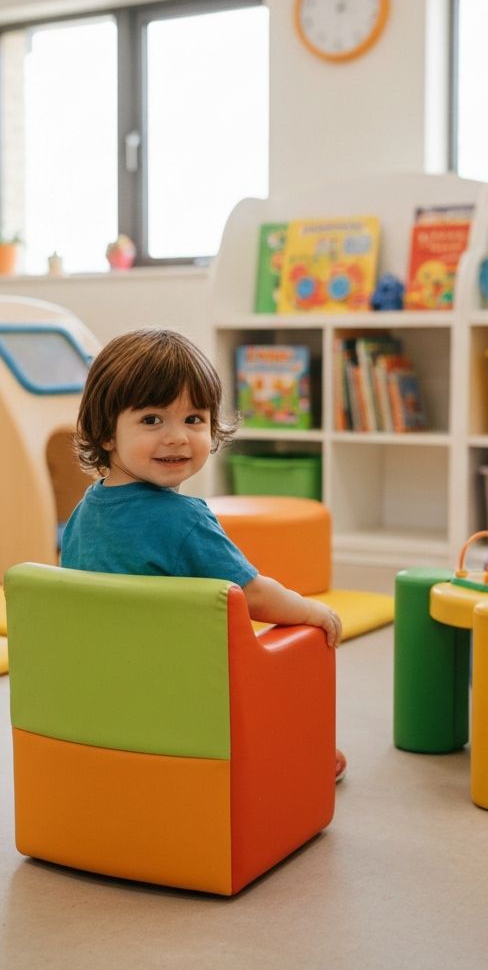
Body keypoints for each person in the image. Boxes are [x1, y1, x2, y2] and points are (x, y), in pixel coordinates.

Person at [61, 327, 345, 781]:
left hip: (100, 684)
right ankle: (299, 753)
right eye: (152, 420)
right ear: (106, 433)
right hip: (178, 689)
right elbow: (254, 596)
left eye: (193, 419)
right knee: (298, 647)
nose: (177, 437)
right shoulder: (183, 520)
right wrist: (310, 609)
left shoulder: (83, 510)